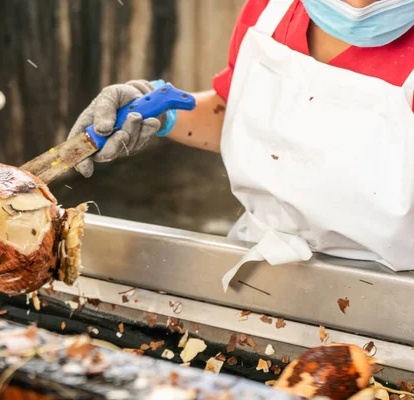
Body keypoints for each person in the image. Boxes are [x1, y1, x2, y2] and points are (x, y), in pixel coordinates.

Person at [67, 0, 414, 291]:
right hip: (257, 269)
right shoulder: (273, 10)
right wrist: (157, 109)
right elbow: (237, 113)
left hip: (387, 292)